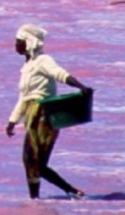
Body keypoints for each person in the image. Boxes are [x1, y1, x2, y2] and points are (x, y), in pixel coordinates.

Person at [6, 24, 92, 200]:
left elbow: (59, 74)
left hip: (44, 114)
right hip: (32, 114)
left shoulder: (44, 61)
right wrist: (12, 121)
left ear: (29, 43)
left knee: (32, 160)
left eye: (19, 41)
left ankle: (61, 193)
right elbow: (24, 97)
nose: (15, 45)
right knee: (34, 162)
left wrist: (80, 86)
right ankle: (45, 197)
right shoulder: (28, 66)